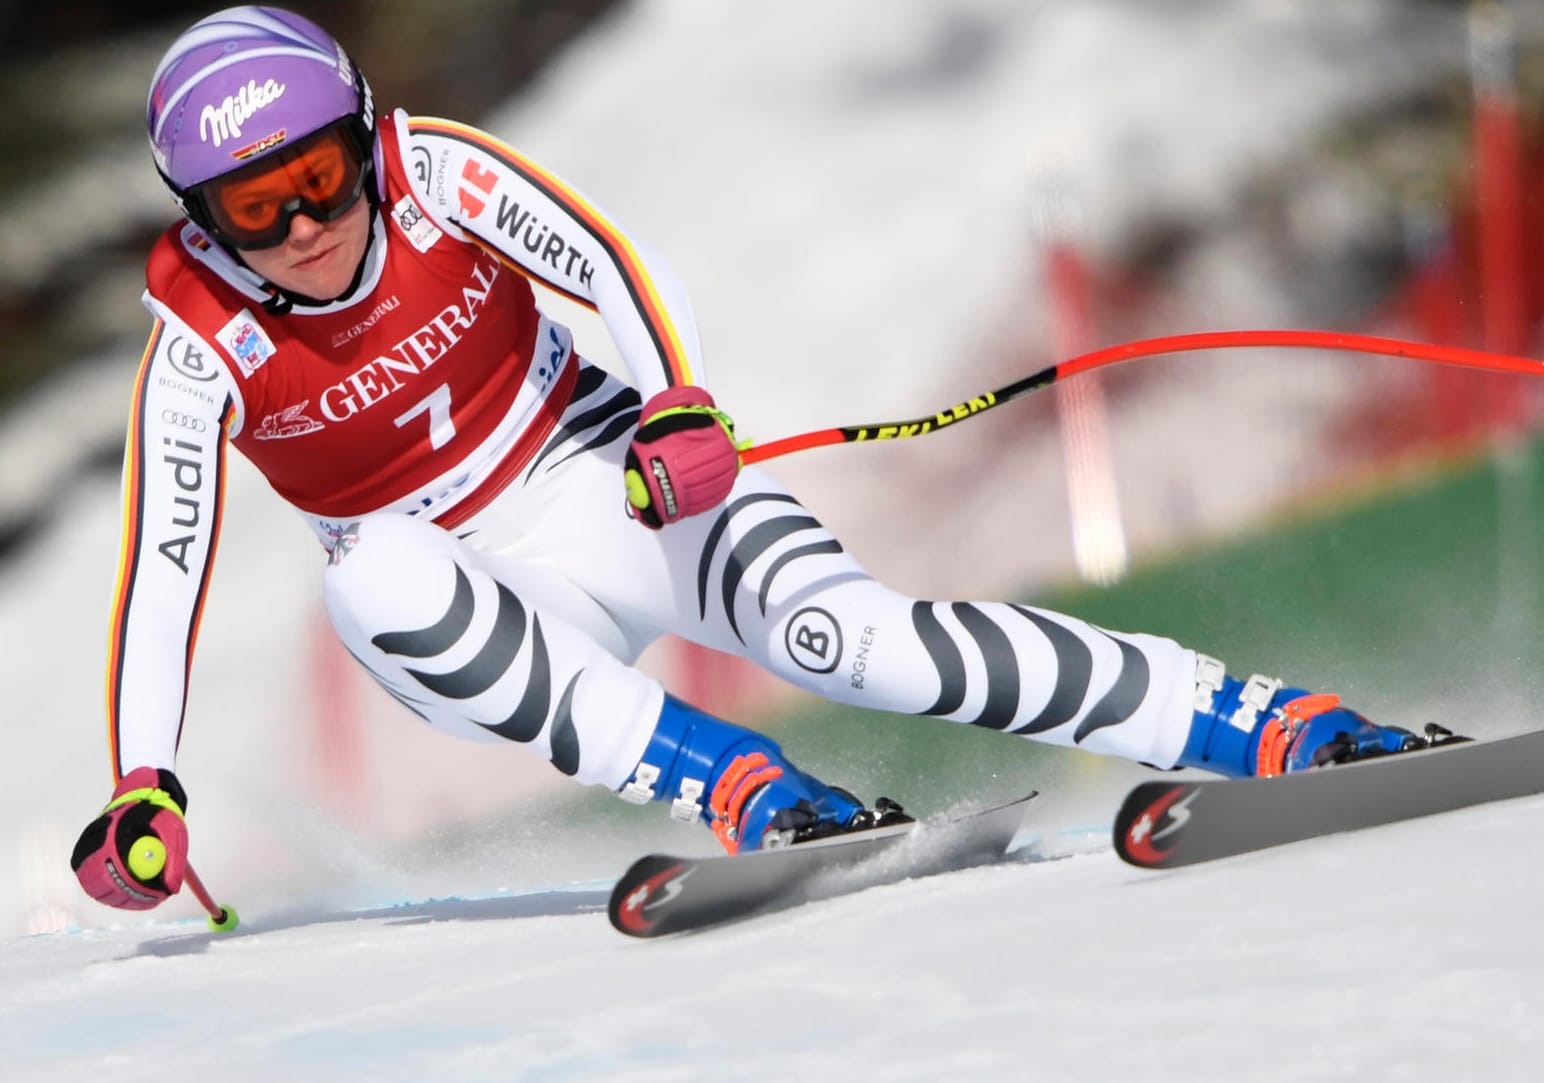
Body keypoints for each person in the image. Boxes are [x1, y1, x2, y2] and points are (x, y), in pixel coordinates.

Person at [71, 6, 1432, 913]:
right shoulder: (198, 348)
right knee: (371, 582)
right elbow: (164, 564)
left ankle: (1271, 727)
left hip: (608, 478)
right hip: (475, 593)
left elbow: (607, 263)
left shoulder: (438, 175)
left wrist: (675, 405)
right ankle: (743, 788)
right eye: (257, 207)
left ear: (364, 140)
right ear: (201, 220)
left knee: (862, 645)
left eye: (321, 176)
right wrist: (146, 783)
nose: (307, 225)